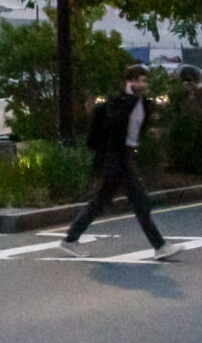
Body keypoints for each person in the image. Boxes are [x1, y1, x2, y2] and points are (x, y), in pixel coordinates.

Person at [60, 64, 186, 261]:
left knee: (100, 201)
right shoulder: (121, 102)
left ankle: (70, 239)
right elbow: (114, 124)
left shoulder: (142, 103)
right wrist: (130, 101)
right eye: (140, 80)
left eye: (145, 80)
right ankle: (159, 246)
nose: (144, 84)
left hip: (126, 157)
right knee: (139, 200)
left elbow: (136, 132)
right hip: (115, 157)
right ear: (130, 81)